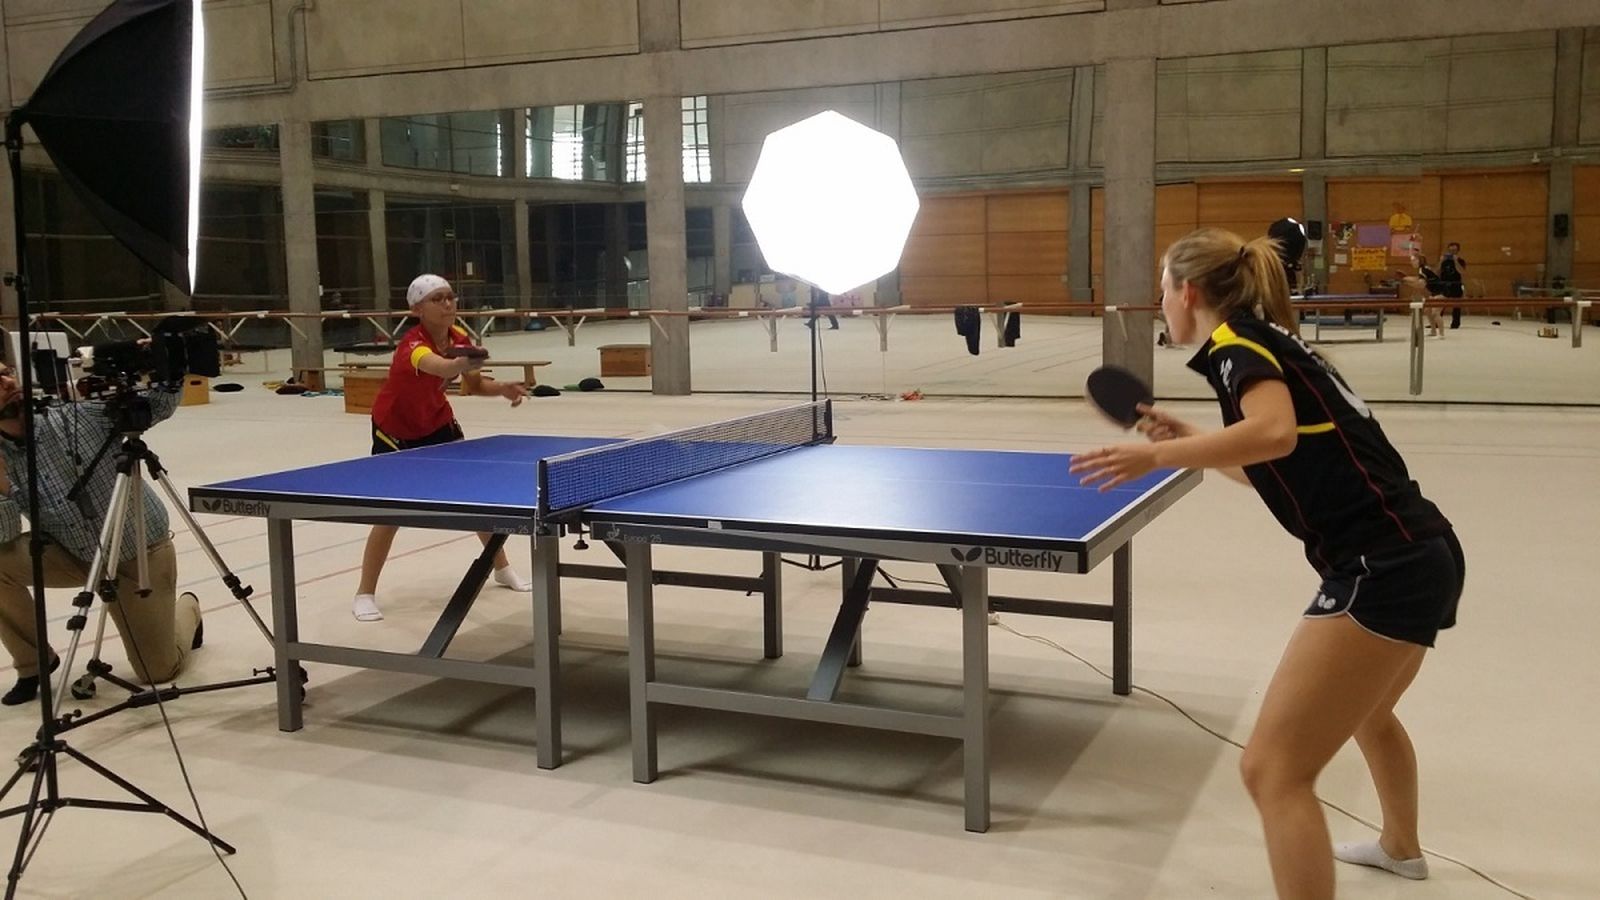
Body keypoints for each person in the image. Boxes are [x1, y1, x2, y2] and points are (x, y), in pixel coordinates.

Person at [1070, 227, 1464, 899]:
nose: (1161, 301)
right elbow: (1276, 467)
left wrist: (1155, 457)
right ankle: (1401, 848)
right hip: (1425, 551)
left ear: (1187, 292)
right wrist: (1196, 438)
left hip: (1381, 566)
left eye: (1163, 288)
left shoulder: (1235, 347)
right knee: (1368, 713)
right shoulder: (1272, 343)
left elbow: (1273, 433)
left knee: (1272, 772)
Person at [0, 362, 202, 706]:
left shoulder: (73, 418)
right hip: (72, 553)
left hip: (137, 551)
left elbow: (157, 405)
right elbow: (5, 534)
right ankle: (34, 663)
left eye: (6, 373)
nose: (8, 382)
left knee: (157, 672)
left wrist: (166, 368)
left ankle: (188, 610)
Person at [352, 274, 530, 622]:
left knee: (475, 499)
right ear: (417, 308)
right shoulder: (412, 346)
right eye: (437, 299)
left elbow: (475, 386)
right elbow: (442, 367)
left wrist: (503, 388)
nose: (448, 304)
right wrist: (464, 360)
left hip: (437, 422)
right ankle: (364, 593)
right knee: (390, 513)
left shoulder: (459, 338)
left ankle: (501, 568)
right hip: (396, 430)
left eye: (451, 297)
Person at [1403, 252, 1447, 338]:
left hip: (1442, 291)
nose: (1411, 262)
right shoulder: (1423, 269)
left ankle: (1441, 334)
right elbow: (1420, 281)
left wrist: (1407, 281)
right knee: (1427, 311)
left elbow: (1421, 285)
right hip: (1434, 292)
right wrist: (1407, 280)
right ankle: (1433, 331)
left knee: (1435, 313)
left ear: (1419, 260)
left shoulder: (1423, 270)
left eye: (1413, 260)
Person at [1439, 242, 1466, 329]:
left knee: (1456, 305)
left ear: (1458, 251)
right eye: (1450, 250)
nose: (1451, 252)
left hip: (1456, 284)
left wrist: (1455, 261)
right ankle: (1436, 322)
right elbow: (1436, 271)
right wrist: (1440, 261)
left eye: (1454, 250)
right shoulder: (1443, 261)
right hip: (1444, 284)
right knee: (1439, 304)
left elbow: (1461, 271)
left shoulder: (1461, 261)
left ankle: (1455, 323)